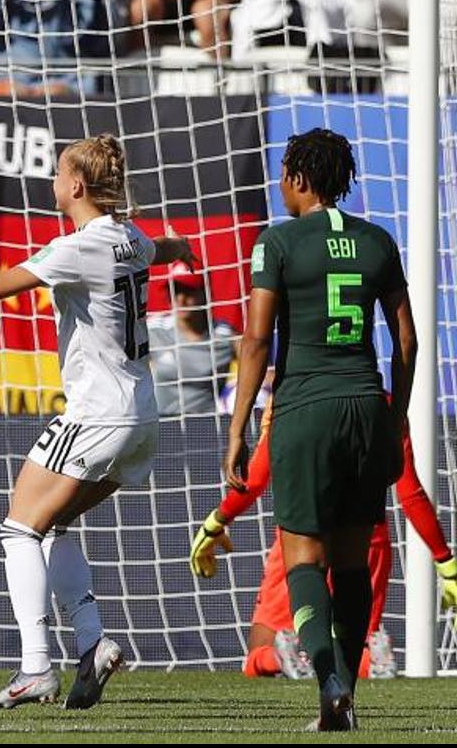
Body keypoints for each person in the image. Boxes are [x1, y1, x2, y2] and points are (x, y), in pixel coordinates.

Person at [0, 134, 194, 710]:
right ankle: (93, 640)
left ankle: (34, 669)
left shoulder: (83, 245)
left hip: (98, 414)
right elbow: (163, 245)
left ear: (75, 186)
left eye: (56, 173)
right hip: (142, 415)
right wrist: (180, 249)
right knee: (52, 526)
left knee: (17, 528)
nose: (51, 182)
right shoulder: (131, 238)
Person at [223, 127, 416, 731]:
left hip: (305, 409)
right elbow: (406, 340)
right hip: (365, 405)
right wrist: (396, 417)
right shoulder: (379, 241)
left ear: (299, 179)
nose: (280, 184)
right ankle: (348, 696)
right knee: (354, 561)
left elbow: (257, 339)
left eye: (283, 173)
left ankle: (328, 680)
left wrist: (238, 428)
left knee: (303, 558)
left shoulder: (276, 243)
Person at [194, 395, 457, 680]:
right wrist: (446, 562)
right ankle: (374, 661)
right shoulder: (384, 402)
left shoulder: (294, 395)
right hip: (366, 540)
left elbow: (255, 480)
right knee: (352, 646)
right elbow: (410, 494)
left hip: (303, 535)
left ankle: (285, 655)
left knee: (261, 653)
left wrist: (215, 522)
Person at [147, 262, 237, 417]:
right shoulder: (154, 330)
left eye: (188, 291)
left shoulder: (225, 336)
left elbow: (260, 364)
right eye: (175, 292)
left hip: (208, 426)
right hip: (161, 424)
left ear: (205, 293)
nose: (180, 299)